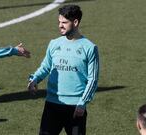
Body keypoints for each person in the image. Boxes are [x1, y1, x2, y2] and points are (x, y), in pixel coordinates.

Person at [27, 5, 99, 135]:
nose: (60, 25)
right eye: (59, 22)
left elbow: (93, 79)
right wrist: (34, 79)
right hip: (52, 105)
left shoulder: (89, 48)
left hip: (76, 108)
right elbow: (46, 67)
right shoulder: (54, 44)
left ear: (75, 22)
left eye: (64, 22)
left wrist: (82, 102)